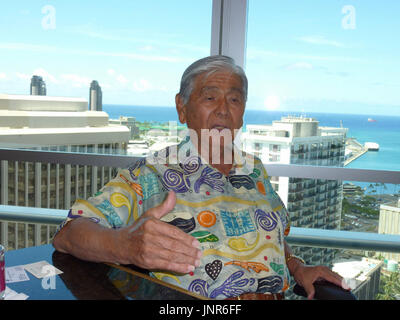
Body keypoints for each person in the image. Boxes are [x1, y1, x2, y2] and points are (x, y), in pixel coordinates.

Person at [53, 55, 347, 300]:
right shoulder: (153, 173)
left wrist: (297, 267)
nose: (223, 109)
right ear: (182, 107)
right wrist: (125, 245)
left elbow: (275, 239)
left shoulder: (254, 170)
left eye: (234, 99)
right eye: (210, 97)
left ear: (242, 113)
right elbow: (69, 235)